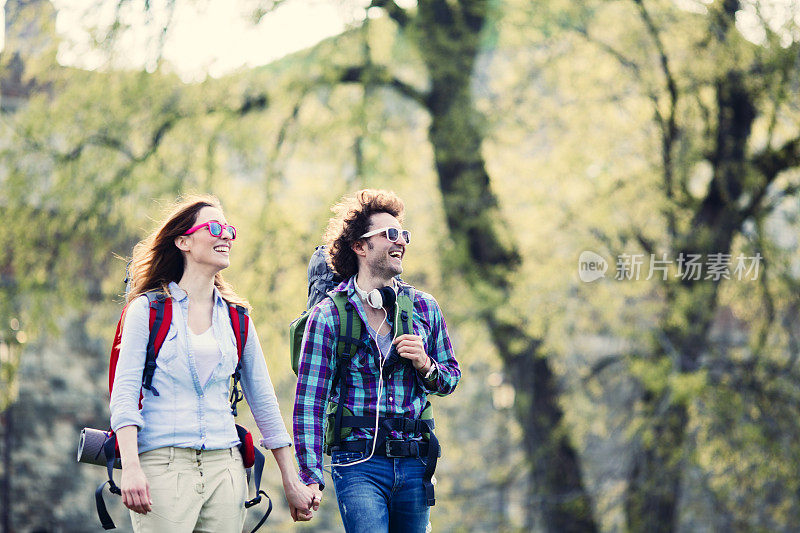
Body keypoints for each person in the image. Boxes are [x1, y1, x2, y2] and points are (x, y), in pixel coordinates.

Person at [110, 194, 315, 532]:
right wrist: (131, 466)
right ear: (183, 241)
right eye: (216, 227)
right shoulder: (146, 311)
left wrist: (291, 480)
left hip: (227, 470)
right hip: (163, 465)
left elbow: (264, 404)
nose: (227, 236)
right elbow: (124, 395)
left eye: (230, 229)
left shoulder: (238, 320)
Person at [293, 189, 461, 532]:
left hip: (415, 462)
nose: (401, 242)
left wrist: (426, 364)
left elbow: (451, 377)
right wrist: (310, 476)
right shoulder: (328, 317)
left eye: (404, 234)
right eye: (389, 234)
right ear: (359, 246)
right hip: (356, 464)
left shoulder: (424, 307)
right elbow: (309, 402)